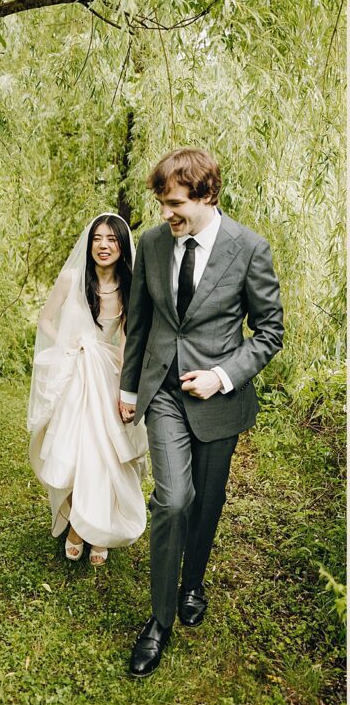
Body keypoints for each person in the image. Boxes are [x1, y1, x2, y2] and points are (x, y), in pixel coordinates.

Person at [119, 148, 283, 677]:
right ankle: (159, 621)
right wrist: (128, 388)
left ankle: (194, 583)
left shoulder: (250, 249)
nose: (166, 213)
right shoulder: (150, 243)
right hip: (164, 393)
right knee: (172, 500)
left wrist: (222, 376)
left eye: (174, 204)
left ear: (206, 195)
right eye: (162, 203)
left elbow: (270, 333)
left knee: (207, 503)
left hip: (220, 402)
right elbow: (141, 324)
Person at [28, 213, 149, 566]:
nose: (103, 245)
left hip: (108, 374)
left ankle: (95, 527)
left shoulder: (130, 287)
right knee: (74, 454)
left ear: (122, 245)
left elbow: (127, 341)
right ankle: (77, 525)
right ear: (90, 242)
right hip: (76, 374)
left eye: (112, 239)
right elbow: (45, 321)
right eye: (97, 238)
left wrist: (127, 388)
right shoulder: (70, 278)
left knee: (105, 455)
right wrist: (70, 345)